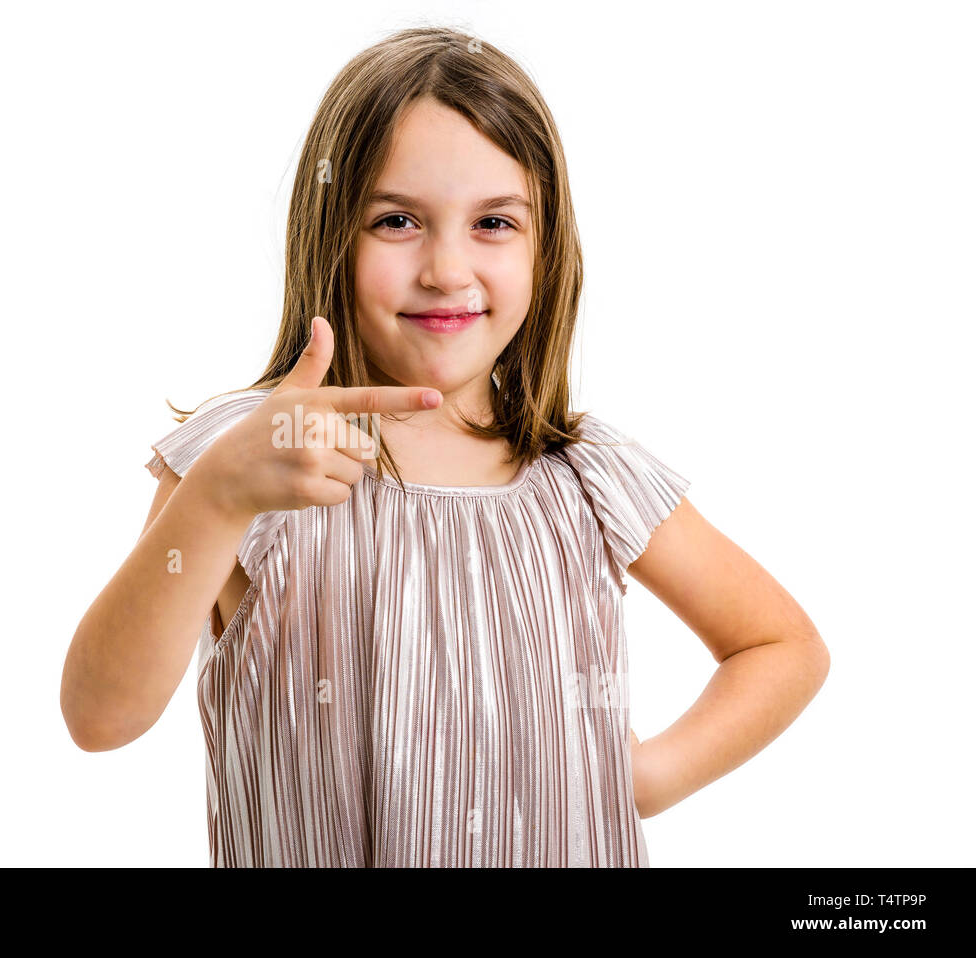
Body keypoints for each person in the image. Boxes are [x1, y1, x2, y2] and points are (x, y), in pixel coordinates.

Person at [60, 25, 830, 867]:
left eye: (494, 222)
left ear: (547, 249)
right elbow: (101, 716)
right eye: (397, 221)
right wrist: (215, 496)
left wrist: (643, 778)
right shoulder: (252, 458)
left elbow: (779, 646)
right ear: (330, 236)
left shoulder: (584, 473)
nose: (446, 268)